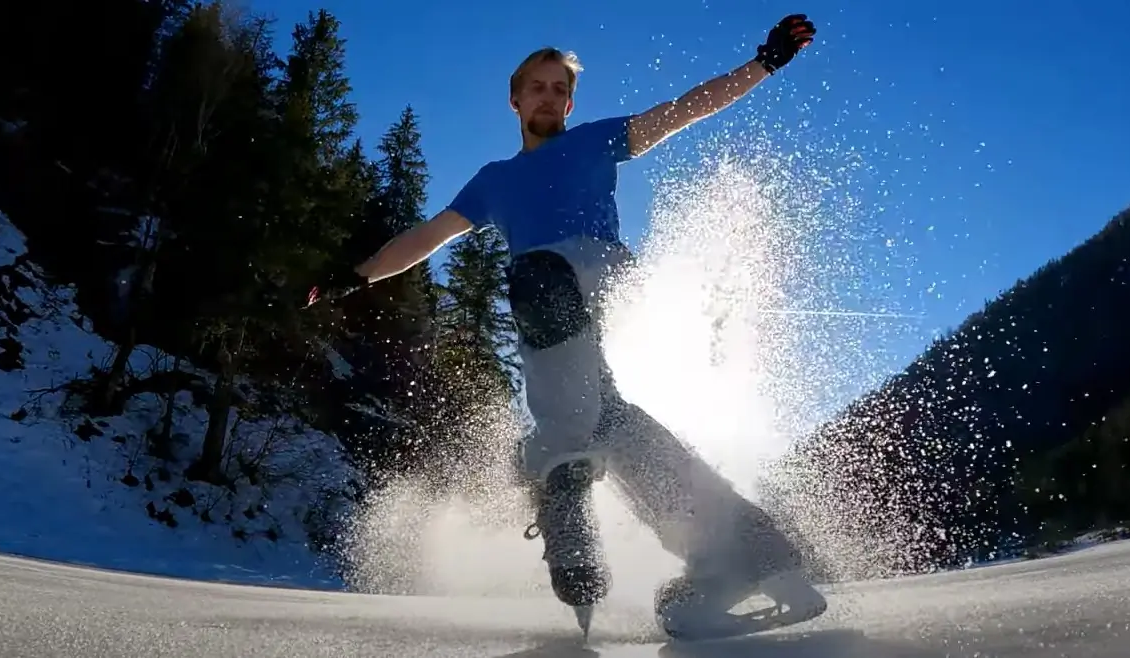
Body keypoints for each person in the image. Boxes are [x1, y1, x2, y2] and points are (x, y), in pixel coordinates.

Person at [309, 14, 826, 639]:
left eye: (559, 89)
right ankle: (741, 553)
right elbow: (425, 238)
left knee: (540, 290)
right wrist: (357, 275)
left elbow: (686, 108)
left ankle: (561, 474)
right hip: (555, 310)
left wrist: (762, 64)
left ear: (570, 102)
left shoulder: (597, 141)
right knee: (611, 419)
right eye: (538, 87)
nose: (549, 97)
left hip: (599, 275)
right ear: (516, 98)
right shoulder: (494, 182)